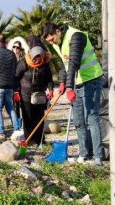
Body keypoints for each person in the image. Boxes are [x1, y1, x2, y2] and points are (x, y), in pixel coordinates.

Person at [42, 22, 104, 166]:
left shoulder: (76, 36)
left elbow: (74, 63)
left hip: (91, 80)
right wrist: (63, 81)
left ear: (58, 31)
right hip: (77, 82)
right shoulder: (58, 42)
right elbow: (65, 64)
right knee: (78, 121)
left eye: (52, 39)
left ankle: (98, 158)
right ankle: (84, 154)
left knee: (91, 117)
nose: (51, 42)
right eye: (48, 41)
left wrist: (69, 87)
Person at [15, 45, 54, 146]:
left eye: (39, 58)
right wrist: (16, 91)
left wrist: (51, 89)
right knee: (28, 117)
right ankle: (29, 139)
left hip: (39, 94)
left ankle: (40, 139)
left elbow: (49, 78)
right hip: (25, 94)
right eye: (35, 58)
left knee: (39, 117)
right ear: (31, 56)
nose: (37, 60)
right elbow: (15, 77)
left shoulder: (44, 64)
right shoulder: (24, 62)